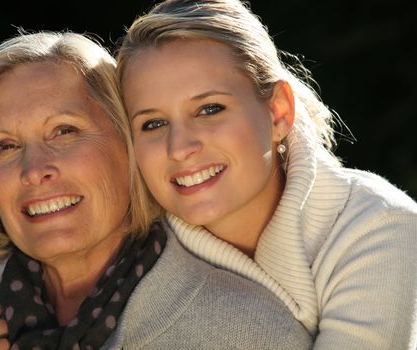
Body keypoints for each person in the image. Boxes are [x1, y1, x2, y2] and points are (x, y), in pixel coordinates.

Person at [0, 30, 313, 349]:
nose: (34, 170)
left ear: (129, 145)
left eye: (65, 131)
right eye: (4, 146)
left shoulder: (241, 330)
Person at [114, 0, 417, 349]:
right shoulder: (130, 256)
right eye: (153, 123)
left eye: (209, 109)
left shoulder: (376, 224)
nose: (179, 148)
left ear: (277, 112)